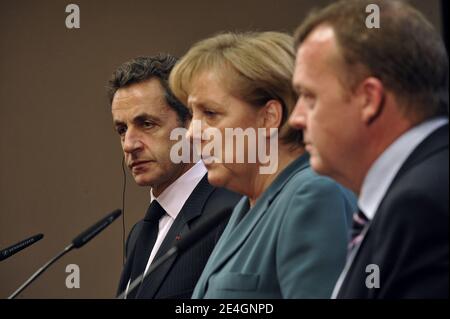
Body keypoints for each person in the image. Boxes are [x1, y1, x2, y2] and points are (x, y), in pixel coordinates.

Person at [169, 31, 356, 298]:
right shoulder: (245, 206)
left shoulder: (314, 194)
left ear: (269, 117)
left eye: (210, 113)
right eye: (192, 115)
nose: (191, 133)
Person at [290, 0, 448, 298]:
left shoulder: (422, 205)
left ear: (369, 99)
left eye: (309, 97)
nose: (296, 118)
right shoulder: (408, 192)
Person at [108, 55, 241, 299]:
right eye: (121, 129)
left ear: (189, 122)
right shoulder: (139, 235)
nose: (129, 144)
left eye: (147, 124)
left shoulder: (230, 212)